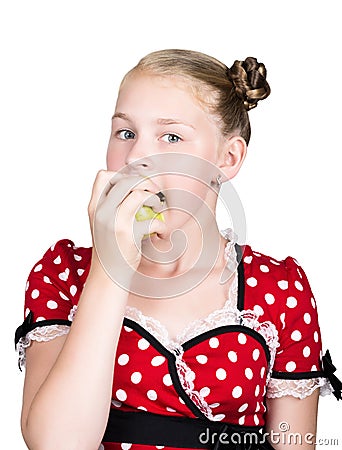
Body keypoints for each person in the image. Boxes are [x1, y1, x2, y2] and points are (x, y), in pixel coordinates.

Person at [15, 49, 341, 450]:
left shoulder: (280, 291)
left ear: (228, 157)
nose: (136, 158)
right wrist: (110, 265)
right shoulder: (64, 274)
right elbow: (56, 445)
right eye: (125, 133)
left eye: (171, 136)